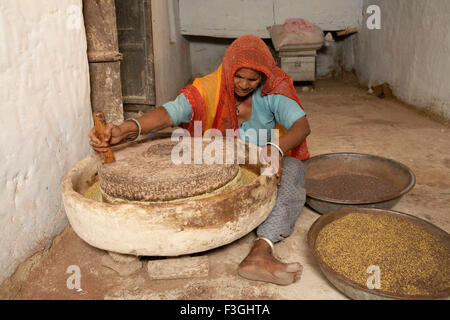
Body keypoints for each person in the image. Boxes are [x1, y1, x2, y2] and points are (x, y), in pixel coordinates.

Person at [89, 35, 311, 286]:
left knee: (293, 170)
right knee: (172, 149)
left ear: (263, 76)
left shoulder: (273, 90)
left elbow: (301, 126)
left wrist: (275, 148)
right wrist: (126, 129)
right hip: (214, 167)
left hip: (259, 165)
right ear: (228, 69)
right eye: (238, 76)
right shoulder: (209, 88)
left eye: (253, 79)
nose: (244, 85)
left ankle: (261, 251)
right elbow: (170, 113)